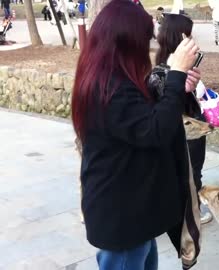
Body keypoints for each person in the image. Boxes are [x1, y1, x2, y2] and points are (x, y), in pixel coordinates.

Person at [71, 1, 202, 269]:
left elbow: (142, 119)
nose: (147, 48)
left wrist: (177, 86)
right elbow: (156, 131)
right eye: (144, 40)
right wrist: (176, 74)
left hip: (132, 210)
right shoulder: (110, 88)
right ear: (127, 41)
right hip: (121, 217)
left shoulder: (107, 76)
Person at [153, 13, 213, 224]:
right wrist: (187, 87)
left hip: (174, 128)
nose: (193, 39)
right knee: (191, 171)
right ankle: (191, 211)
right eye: (190, 34)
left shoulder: (160, 60)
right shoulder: (176, 66)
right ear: (181, 36)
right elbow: (175, 98)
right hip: (187, 129)